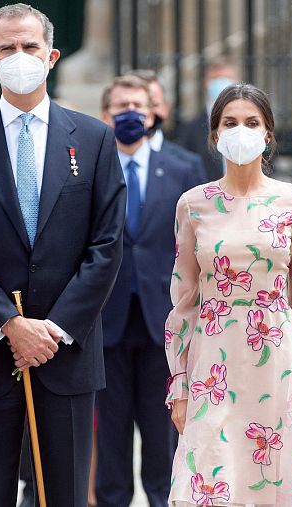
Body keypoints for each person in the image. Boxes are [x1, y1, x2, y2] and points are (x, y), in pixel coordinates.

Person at [0, 4, 125, 506]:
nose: (19, 56)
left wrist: (53, 329)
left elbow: (106, 245)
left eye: (30, 46)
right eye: (8, 48)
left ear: (52, 56)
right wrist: (10, 324)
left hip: (67, 355)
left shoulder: (95, 140)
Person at [164, 83, 292, 506]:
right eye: (230, 122)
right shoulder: (193, 205)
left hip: (277, 358)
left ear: (268, 135)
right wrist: (179, 381)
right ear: (215, 135)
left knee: (274, 477)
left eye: (252, 122)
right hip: (213, 361)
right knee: (210, 476)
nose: (241, 130)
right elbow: (184, 299)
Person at [95, 75, 205, 507]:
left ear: (153, 113)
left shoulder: (182, 168)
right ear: (105, 115)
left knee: (163, 431)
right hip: (106, 320)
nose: (131, 114)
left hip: (164, 319)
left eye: (138, 106)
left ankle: (164, 499)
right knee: (111, 433)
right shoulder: (91, 167)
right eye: (121, 106)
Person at [126, 69, 205, 175]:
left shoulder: (187, 164)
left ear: (166, 107)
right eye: (137, 105)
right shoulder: (107, 160)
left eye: (152, 104)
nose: (146, 112)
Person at [174, 58, 239, 181]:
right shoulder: (191, 130)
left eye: (227, 78)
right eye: (216, 78)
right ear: (205, 84)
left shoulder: (250, 125)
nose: (222, 83)